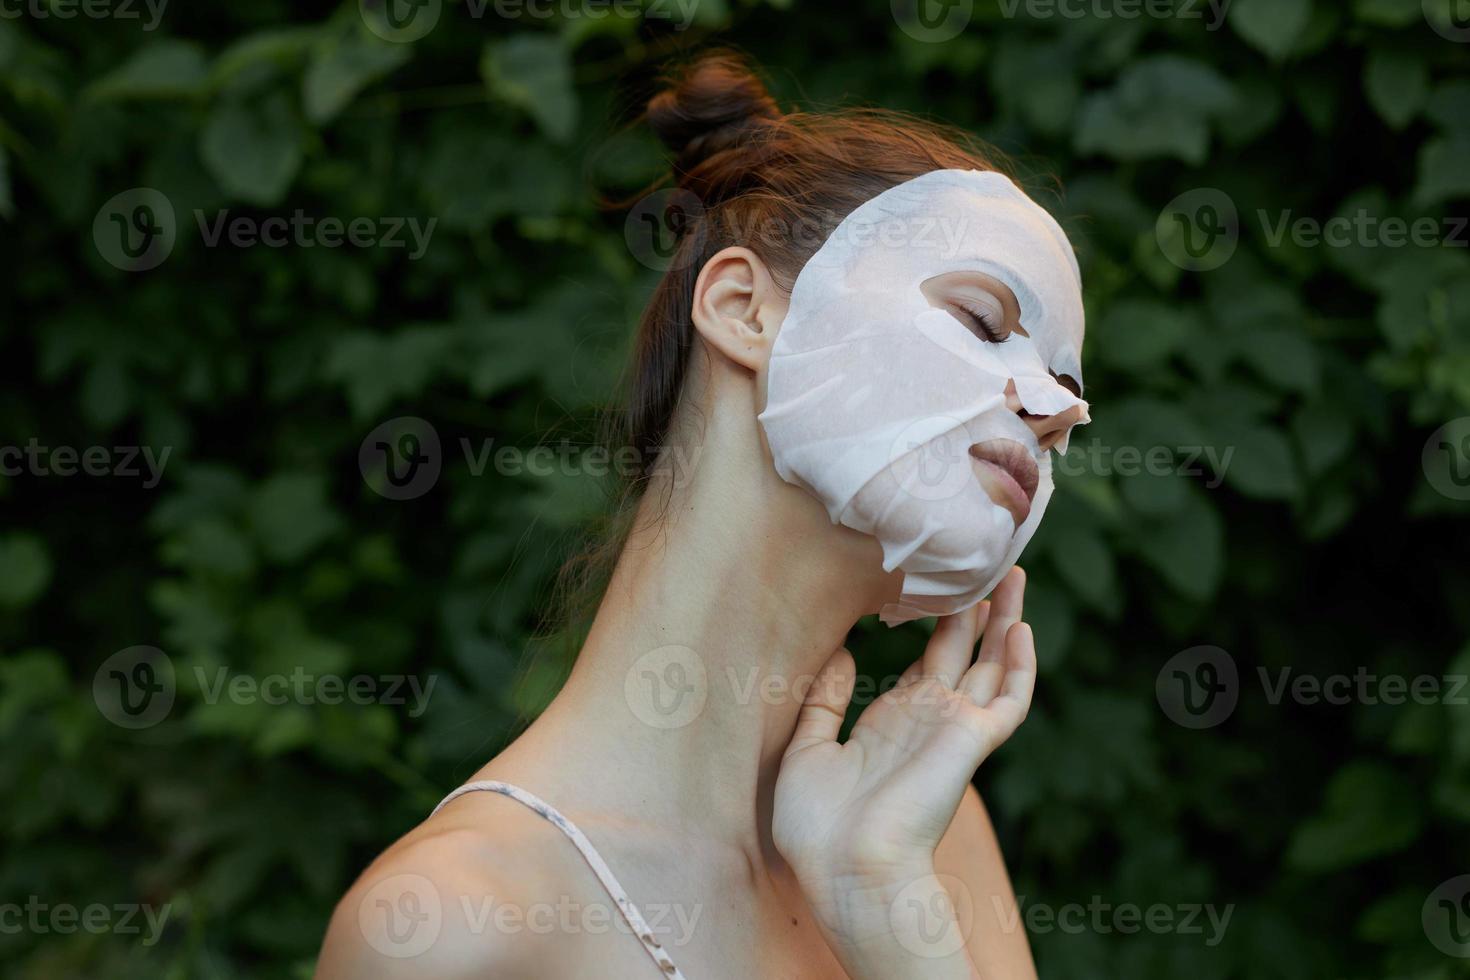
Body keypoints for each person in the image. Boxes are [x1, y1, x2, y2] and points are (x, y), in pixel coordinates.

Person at [316, 50, 1088, 980]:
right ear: (742, 312)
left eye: (1065, 385)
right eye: (982, 320)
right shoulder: (457, 929)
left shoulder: (924, 835)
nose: (1059, 411)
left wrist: (886, 908)